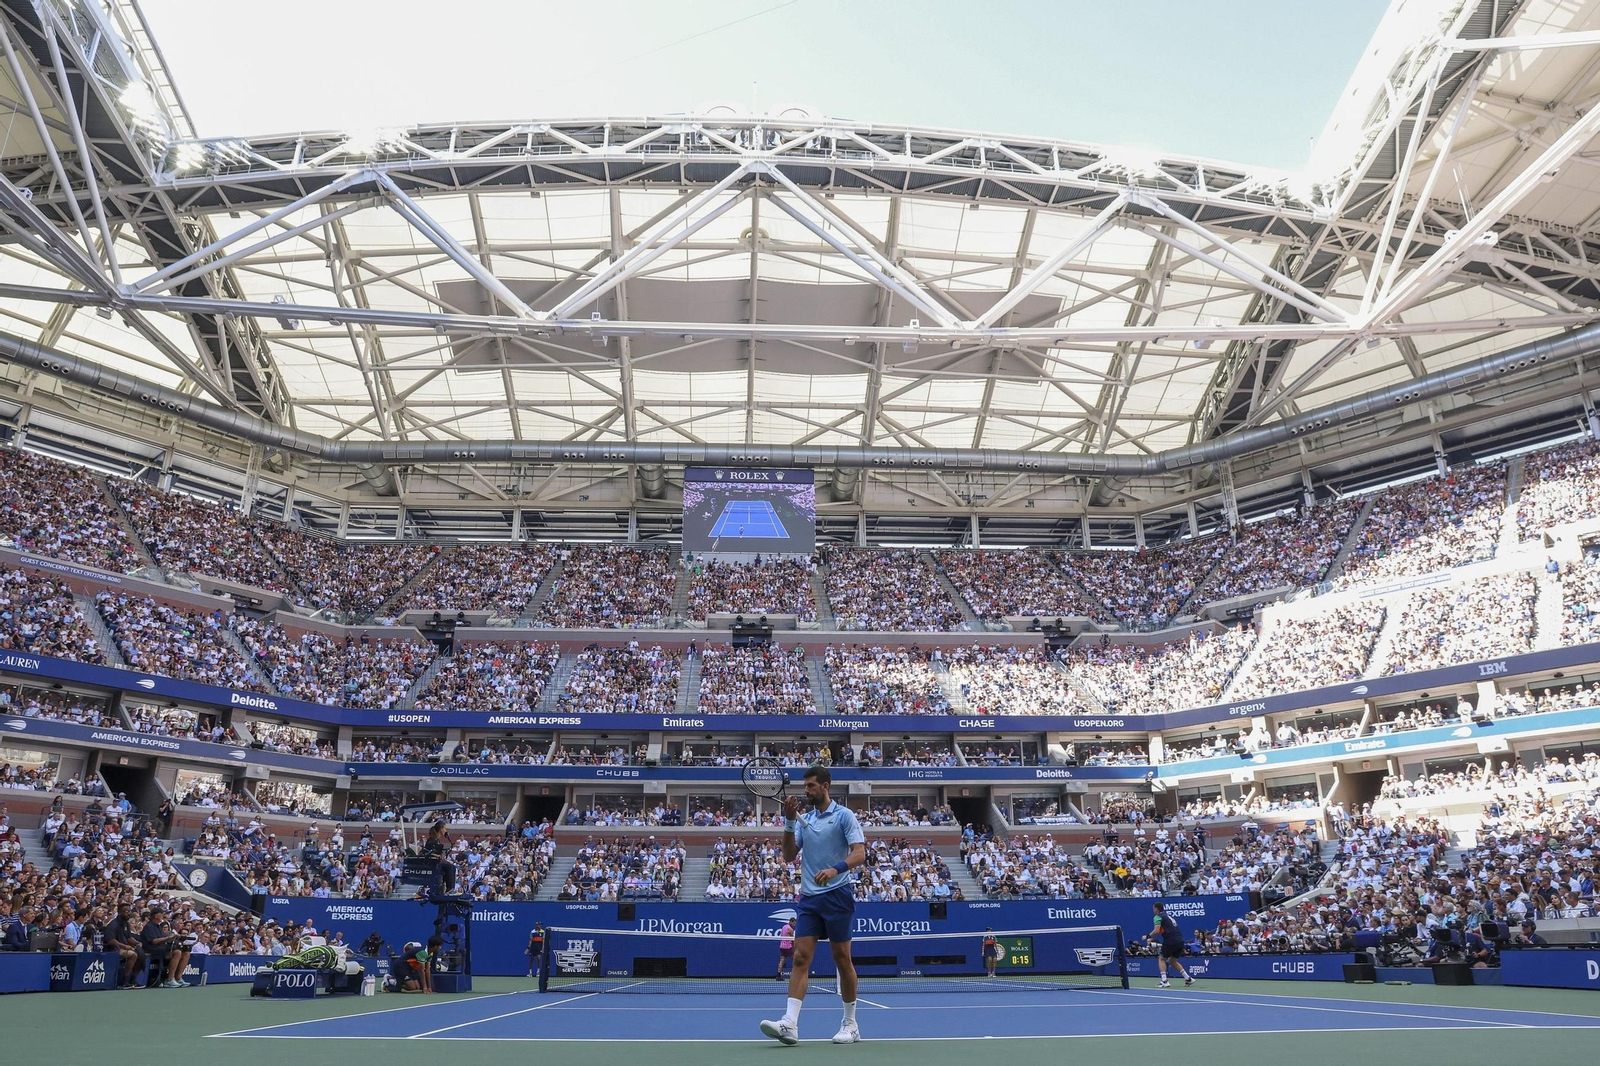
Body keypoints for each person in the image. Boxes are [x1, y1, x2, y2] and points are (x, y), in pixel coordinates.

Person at [760, 765, 866, 1046]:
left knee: (842, 960)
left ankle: (850, 1024)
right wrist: (790, 821)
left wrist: (836, 869)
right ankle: (790, 1024)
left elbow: (860, 853)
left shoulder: (844, 816)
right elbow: (788, 855)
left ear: (826, 786)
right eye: (805, 786)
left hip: (837, 895)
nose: (806, 791)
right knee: (800, 957)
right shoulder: (803, 819)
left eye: (811, 786)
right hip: (809, 899)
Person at [1142, 901, 1194, 989]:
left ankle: (1164, 981)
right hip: (1180, 940)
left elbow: (1157, 930)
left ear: (1156, 909)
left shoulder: (1157, 917)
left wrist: (1147, 936)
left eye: (1153, 908)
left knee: (1161, 959)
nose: (1153, 910)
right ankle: (1188, 978)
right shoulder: (1168, 916)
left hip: (1171, 940)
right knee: (1172, 961)